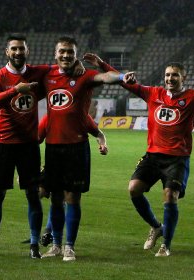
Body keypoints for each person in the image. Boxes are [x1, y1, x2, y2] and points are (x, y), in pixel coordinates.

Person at [86, 54, 194, 256]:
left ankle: (166, 245)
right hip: (153, 155)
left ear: (184, 78)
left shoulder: (193, 97)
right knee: (133, 189)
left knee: (170, 197)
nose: (170, 79)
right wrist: (101, 64)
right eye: (167, 75)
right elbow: (125, 83)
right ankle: (156, 227)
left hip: (177, 158)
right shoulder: (153, 93)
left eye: (175, 75)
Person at [0, 34, 83, 259]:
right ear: (7, 52)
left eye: (22, 49)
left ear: (27, 51)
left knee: (32, 194)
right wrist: (17, 89)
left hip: (29, 145)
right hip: (3, 143)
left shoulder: (38, 72)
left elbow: (60, 64)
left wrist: (77, 63)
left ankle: (34, 246)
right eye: (14, 49)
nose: (18, 52)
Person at [41, 37, 135, 261]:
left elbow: (105, 76)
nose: (66, 56)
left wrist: (121, 76)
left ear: (75, 55)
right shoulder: (46, 74)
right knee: (55, 198)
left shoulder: (84, 76)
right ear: (55, 54)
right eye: (62, 52)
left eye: (70, 53)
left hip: (76, 148)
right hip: (53, 146)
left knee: (73, 198)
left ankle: (69, 246)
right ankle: (54, 245)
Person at [37, 113, 108, 248]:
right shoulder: (49, 117)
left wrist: (103, 145)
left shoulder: (82, 116)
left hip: (76, 160)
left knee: (69, 197)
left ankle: (65, 244)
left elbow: (99, 134)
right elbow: (36, 140)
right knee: (45, 195)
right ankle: (49, 238)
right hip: (54, 160)